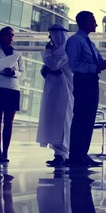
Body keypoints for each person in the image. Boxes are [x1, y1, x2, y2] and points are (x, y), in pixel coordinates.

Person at [66, 11, 106, 167]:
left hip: (91, 81)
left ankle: (83, 154)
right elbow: (73, 64)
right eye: (93, 21)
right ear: (84, 22)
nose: (96, 24)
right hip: (83, 81)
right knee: (81, 119)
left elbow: (101, 63)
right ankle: (76, 155)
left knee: (89, 119)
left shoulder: (88, 42)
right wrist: (94, 67)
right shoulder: (75, 41)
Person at [0, 27, 25, 164]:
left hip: (12, 88)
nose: (11, 37)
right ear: (2, 36)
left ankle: (5, 152)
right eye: (8, 34)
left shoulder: (18, 54)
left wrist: (13, 73)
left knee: (9, 122)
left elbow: (23, 73)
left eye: (13, 35)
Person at [37, 24, 73, 167]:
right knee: (54, 120)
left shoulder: (67, 51)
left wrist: (47, 56)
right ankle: (58, 154)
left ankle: (63, 153)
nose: (49, 38)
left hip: (64, 91)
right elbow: (48, 69)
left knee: (63, 120)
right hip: (53, 91)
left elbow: (54, 65)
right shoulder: (53, 51)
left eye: (52, 35)